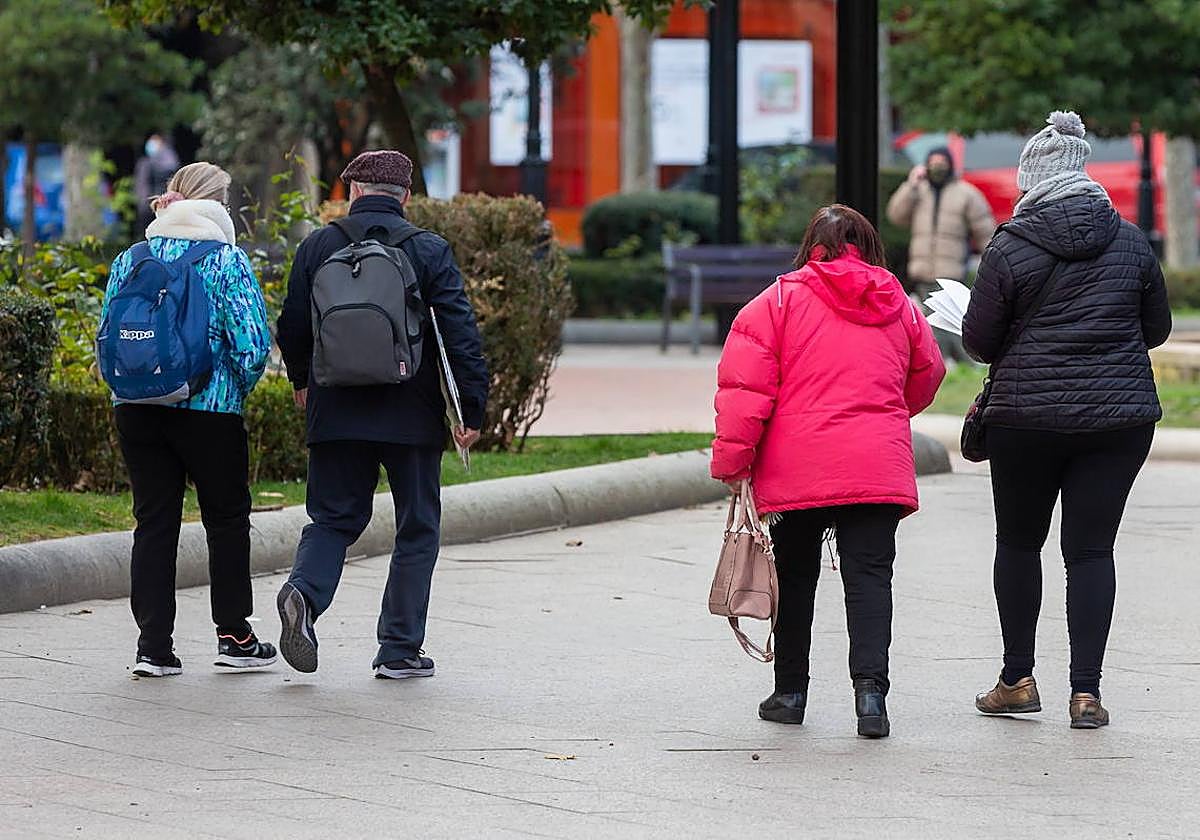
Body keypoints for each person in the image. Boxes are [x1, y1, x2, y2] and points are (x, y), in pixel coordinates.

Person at [963, 111, 1172, 729]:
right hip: (1119, 419)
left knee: (1020, 544)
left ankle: (1018, 678)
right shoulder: (1131, 240)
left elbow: (980, 341)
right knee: (1091, 552)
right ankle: (1087, 693)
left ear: (1032, 179)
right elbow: (1156, 329)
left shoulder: (1010, 245)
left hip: (1026, 419)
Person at [711, 204, 946, 738]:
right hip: (874, 464)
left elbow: (744, 394)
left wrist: (733, 463)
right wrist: (884, 415)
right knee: (870, 579)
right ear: (867, 245)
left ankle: (790, 691)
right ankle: (871, 698)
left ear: (810, 245)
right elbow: (928, 372)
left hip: (799, 466)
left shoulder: (776, 302)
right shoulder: (896, 301)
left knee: (795, 578)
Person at [275, 150, 489, 679]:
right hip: (410, 415)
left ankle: (303, 592)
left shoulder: (317, 245)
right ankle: (398, 649)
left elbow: (293, 326)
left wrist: (301, 381)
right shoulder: (428, 249)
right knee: (417, 527)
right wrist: (472, 407)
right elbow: (460, 336)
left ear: (352, 192)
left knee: (332, 518)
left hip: (335, 409)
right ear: (406, 197)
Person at [102, 162, 275, 676]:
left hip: (136, 408)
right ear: (219, 204)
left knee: (153, 523)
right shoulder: (225, 259)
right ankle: (234, 635)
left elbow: (108, 332)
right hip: (209, 411)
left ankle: (153, 648)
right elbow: (252, 345)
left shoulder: (131, 257)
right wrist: (232, 392)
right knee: (225, 520)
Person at [887, 146, 996, 293]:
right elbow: (896, 216)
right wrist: (910, 185)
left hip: (952, 275)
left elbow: (984, 231)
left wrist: (993, 264)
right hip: (921, 275)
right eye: (933, 162)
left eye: (942, 162)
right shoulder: (918, 190)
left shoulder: (966, 194)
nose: (937, 167)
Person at [134, 134, 180, 234]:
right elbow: (141, 185)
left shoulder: (169, 162)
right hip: (146, 207)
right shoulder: (145, 163)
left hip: (163, 206)